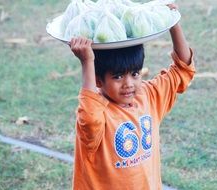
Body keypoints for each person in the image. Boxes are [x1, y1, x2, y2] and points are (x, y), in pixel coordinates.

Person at [69, 4, 195, 190]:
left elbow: (183, 69)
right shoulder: (98, 112)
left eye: (135, 73)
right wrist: (88, 62)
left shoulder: (149, 97)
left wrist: (173, 23)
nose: (128, 83)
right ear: (98, 80)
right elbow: (88, 117)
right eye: (118, 76)